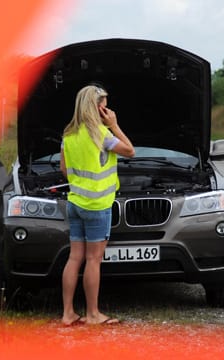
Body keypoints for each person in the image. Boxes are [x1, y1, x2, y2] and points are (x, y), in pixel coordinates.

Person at [60, 85, 135, 326]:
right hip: (97, 206)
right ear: (94, 106)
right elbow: (130, 151)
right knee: (93, 260)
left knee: (74, 258)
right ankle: (93, 314)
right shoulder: (101, 134)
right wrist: (114, 124)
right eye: (103, 103)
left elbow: (64, 169)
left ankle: (68, 313)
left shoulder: (68, 135)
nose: (106, 108)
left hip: (75, 203)